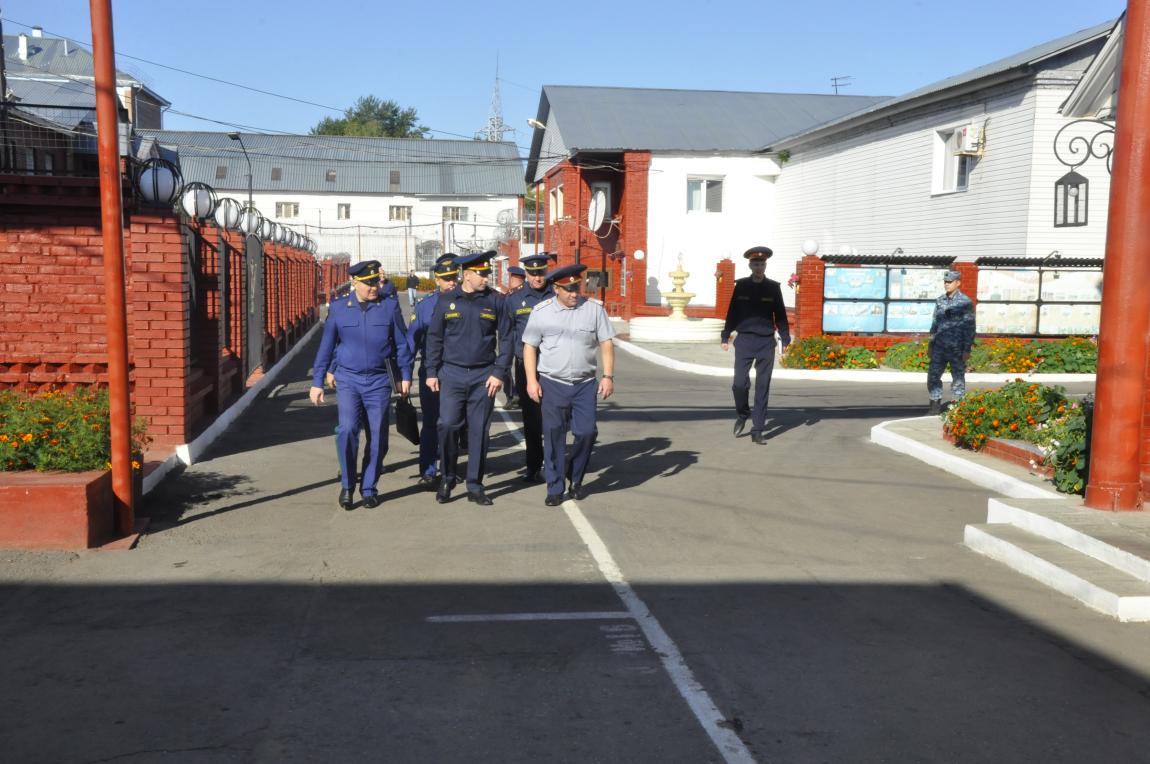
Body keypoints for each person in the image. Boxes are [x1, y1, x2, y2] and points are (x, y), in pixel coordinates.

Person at [310, 260, 412, 510]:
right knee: (346, 430)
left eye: (376, 281)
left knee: (378, 436)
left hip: (378, 381)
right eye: (368, 283)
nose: (374, 287)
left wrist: (405, 375)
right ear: (355, 282)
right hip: (348, 380)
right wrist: (317, 381)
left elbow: (401, 344)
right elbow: (327, 347)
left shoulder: (388, 308)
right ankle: (348, 484)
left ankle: (369, 487)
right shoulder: (339, 309)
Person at [522, 264, 616, 506]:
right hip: (553, 383)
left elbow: (606, 343)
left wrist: (608, 376)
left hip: (585, 384)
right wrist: (532, 381)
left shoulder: (594, 310)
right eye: (568, 289)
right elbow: (529, 347)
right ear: (556, 289)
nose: (575, 293)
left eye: (577, 288)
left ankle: (575, 478)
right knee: (553, 435)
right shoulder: (541, 312)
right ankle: (555, 487)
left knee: (586, 432)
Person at [424, 251, 513, 505]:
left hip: (483, 376)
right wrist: (431, 371)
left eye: (487, 273)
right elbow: (435, 338)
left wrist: (499, 372)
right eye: (482, 274)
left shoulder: (495, 300)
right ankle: (448, 477)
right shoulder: (446, 301)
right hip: (451, 373)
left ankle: (475, 484)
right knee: (448, 425)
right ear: (467, 275)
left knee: (479, 433)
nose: (486, 278)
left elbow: (506, 338)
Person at [721, 245, 791, 445]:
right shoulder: (741, 286)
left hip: (765, 342)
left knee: (762, 386)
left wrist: (785, 339)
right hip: (744, 340)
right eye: (756, 264)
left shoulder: (773, 288)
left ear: (765, 265)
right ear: (750, 266)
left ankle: (758, 429)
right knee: (739, 384)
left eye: (762, 264)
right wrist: (725, 336)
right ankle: (743, 413)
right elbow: (732, 312)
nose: (759, 267)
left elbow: (781, 316)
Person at [405, 254, 459, 489]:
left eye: (453, 277)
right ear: (437, 280)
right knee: (430, 423)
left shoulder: (468, 301)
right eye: (446, 278)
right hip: (432, 373)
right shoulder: (426, 306)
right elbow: (411, 343)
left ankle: (449, 470)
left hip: (458, 373)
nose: (451, 282)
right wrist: (404, 376)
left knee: (453, 424)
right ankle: (428, 469)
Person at [506, 254, 554, 479]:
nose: (538, 277)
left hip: (553, 366)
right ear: (526, 274)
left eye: (541, 272)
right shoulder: (514, 299)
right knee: (532, 419)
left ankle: (554, 464)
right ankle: (534, 465)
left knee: (554, 418)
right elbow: (506, 334)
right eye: (533, 273)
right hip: (526, 367)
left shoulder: (557, 294)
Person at [927, 269, 976, 414]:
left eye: (950, 282)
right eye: (945, 282)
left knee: (958, 379)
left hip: (957, 348)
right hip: (939, 347)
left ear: (958, 283)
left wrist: (967, 349)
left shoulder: (965, 302)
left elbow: (970, 326)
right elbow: (935, 324)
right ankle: (934, 406)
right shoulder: (940, 300)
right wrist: (930, 344)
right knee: (933, 376)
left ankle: (957, 409)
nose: (946, 284)